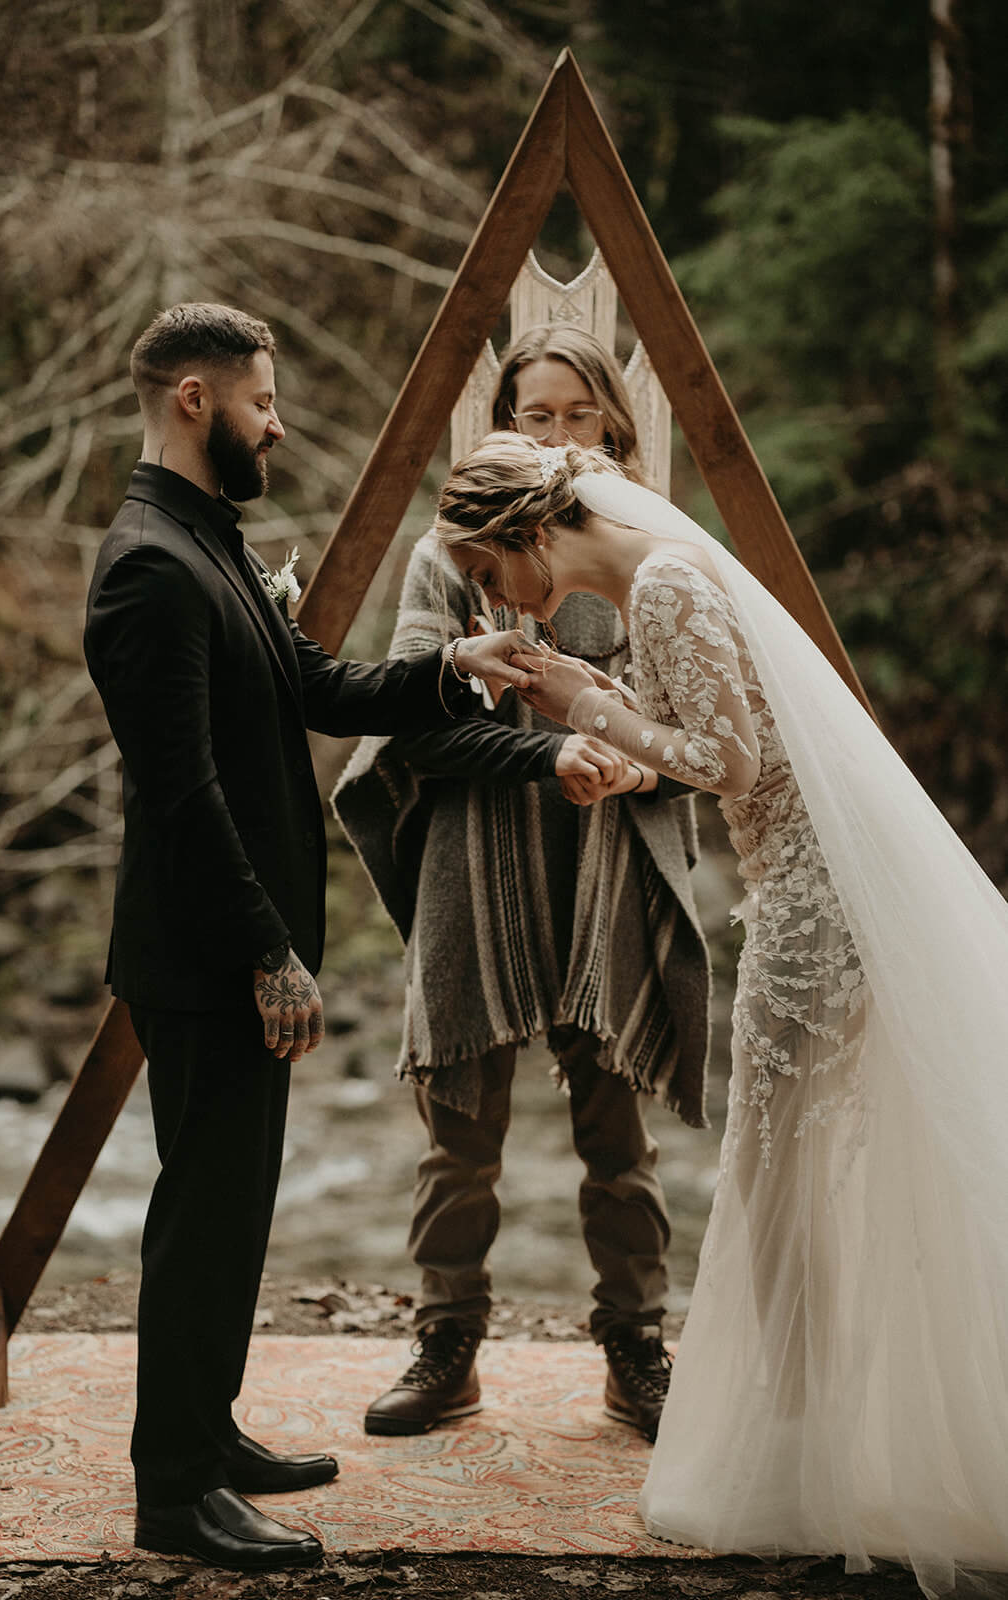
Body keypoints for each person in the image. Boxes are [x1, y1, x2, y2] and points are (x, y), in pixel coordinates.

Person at [432, 432, 1008, 1600]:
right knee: (790, 1175)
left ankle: (802, 1453)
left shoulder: (663, 579)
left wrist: (581, 697)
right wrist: (606, 729)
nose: (499, 600)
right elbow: (709, 738)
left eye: (490, 574)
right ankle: (822, 1438)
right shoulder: (659, 575)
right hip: (802, 896)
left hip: (812, 912)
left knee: (780, 1176)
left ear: (521, 534)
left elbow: (730, 765)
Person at [82, 303, 532, 1573]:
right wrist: (268, 949)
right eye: (260, 401)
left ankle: (205, 1431)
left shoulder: (205, 541)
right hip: (206, 950)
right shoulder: (146, 569)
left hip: (237, 944)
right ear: (191, 399)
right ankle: (172, 1494)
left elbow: (321, 689)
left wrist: (459, 667)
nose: (276, 422)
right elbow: (179, 792)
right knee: (201, 1214)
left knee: (235, 1210)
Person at [333, 326, 710, 1441]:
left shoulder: (653, 553)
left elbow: (688, 718)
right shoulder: (443, 556)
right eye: (530, 416)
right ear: (499, 425)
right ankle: (447, 1342)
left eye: (576, 414)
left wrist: (633, 757)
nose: (554, 435)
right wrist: (547, 746)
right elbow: (415, 716)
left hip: (608, 864)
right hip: (472, 868)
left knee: (616, 1141)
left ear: (614, 425)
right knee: (458, 1134)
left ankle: (633, 1350)